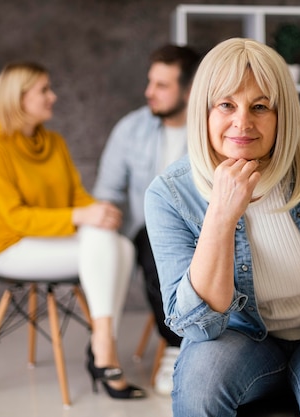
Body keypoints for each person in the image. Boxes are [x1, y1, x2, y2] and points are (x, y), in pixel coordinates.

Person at [144, 37, 300, 416]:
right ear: (203, 111)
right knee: (198, 389)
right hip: (236, 335)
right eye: (226, 105)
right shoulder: (169, 193)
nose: (242, 123)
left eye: (260, 106)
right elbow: (198, 325)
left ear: (283, 114)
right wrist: (220, 215)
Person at [0, 62, 144, 400]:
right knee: (103, 242)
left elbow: (75, 196)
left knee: (121, 246)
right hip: (9, 246)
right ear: (18, 99)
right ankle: (103, 350)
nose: (54, 96)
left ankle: (102, 342)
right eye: (44, 90)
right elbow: (15, 218)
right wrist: (84, 215)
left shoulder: (53, 141)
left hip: (49, 237)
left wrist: (98, 210)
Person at [93, 43, 200, 395]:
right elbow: (107, 192)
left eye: (162, 85)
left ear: (190, 88)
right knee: (154, 240)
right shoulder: (131, 128)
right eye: (150, 82)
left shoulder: (214, 126)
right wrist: (105, 214)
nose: (148, 93)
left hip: (209, 230)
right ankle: (175, 345)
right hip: (150, 236)